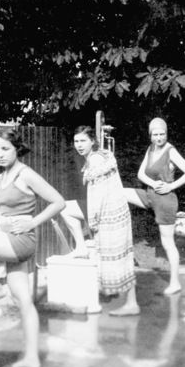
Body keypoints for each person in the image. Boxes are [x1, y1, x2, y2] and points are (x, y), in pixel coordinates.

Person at [0, 128, 65, 367]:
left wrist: (33, 221)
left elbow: (58, 201)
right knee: (23, 300)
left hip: (21, 240)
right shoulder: (0, 179)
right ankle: (32, 357)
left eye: (5, 149)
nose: (0, 154)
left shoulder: (26, 174)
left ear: (16, 149)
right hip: (5, 237)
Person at [124, 118, 185, 295]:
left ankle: (175, 282)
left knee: (168, 243)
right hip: (149, 195)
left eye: (162, 134)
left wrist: (170, 186)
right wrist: (153, 183)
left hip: (165, 201)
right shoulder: (151, 149)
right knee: (120, 193)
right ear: (150, 135)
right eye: (155, 134)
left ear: (166, 133)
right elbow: (141, 173)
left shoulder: (170, 150)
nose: (159, 137)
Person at [73, 126, 140, 316]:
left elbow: (98, 195)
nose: (79, 145)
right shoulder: (102, 156)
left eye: (83, 141)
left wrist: (93, 221)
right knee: (122, 257)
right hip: (116, 212)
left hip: (109, 216)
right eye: (76, 141)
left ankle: (129, 304)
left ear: (92, 141)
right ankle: (131, 302)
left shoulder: (95, 161)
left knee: (114, 257)